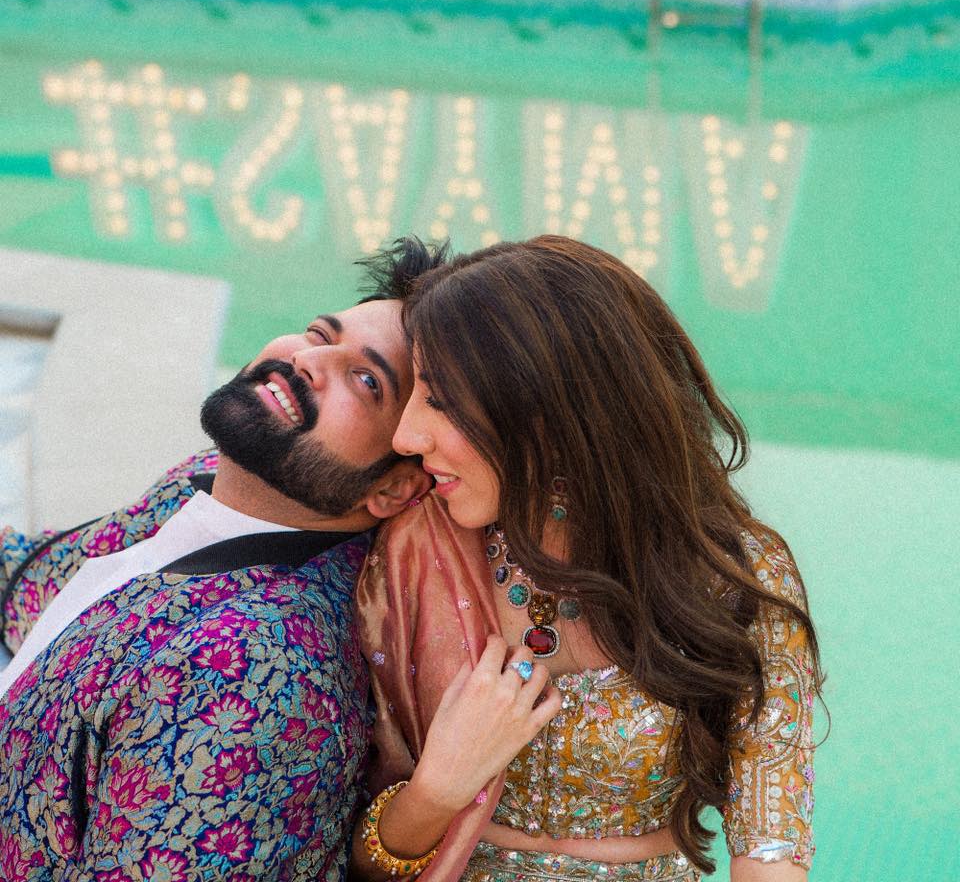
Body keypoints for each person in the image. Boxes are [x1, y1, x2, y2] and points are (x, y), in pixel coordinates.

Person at [356, 235, 822, 882]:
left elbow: (771, 847)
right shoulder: (416, 552)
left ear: (548, 407)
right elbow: (360, 862)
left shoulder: (733, 573)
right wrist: (436, 791)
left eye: (439, 400)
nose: (407, 435)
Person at [0, 237, 444, 881]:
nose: (308, 360)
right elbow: (43, 582)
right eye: (321, 333)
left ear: (394, 486)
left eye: (367, 380)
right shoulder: (209, 484)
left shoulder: (250, 669)